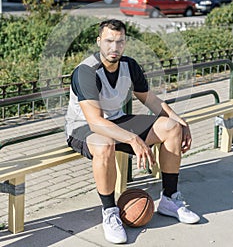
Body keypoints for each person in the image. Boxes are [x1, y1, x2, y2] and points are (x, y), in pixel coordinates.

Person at [65, 19, 200, 244]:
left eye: (119, 42)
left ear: (125, 43)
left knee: (171, 128)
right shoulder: (85, 71)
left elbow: (151, 100)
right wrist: (133, 139)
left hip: (117, 121)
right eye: (108, 41)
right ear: (99, 42)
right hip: (84, 127)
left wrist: (180, 121)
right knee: (105, 143)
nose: (114, 47)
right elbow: (96, 122)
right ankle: (110, 212)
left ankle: (169, 198)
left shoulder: (130, 65)